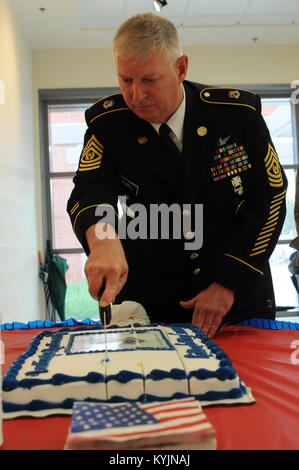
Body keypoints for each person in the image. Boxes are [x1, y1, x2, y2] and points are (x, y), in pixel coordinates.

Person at [67, 13, 287, 337]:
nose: (136, 95)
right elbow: (89, 190)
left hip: (237, 301)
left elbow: (270, 199)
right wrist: (102, 241)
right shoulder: (108, 125)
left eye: (149, 80)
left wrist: (228, 281)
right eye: (126, 80)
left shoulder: (238, 117)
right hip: (150, 307)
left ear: (181, 68)